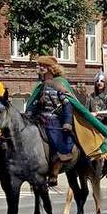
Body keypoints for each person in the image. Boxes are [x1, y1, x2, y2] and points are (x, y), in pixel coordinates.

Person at [25, 56, 77, 185]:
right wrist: (28, 114)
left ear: (49, 68)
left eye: (42, 66)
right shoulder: (40, 85)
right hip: (38, 118)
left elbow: (67, 104)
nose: (39, 68)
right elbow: (34, 104)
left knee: (54, 138)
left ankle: (56, 166)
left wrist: (67, 122)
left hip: (53, 119)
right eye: (39, 65)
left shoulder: (59, 84)